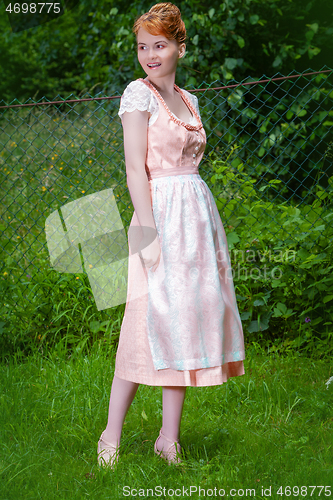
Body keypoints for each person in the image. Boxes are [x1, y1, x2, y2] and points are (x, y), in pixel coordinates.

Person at [97, 1, 246, 468]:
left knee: (183, 321)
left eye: (160, 45)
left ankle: (168, 439)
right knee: (143, 325)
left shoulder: (190, 100)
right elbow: (134, 169)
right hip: (156, 213)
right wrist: (148, 230)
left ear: (180, 46)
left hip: (195, 216)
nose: (150, 55)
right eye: (143, 46)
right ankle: (111, 433)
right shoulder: (137, 96)